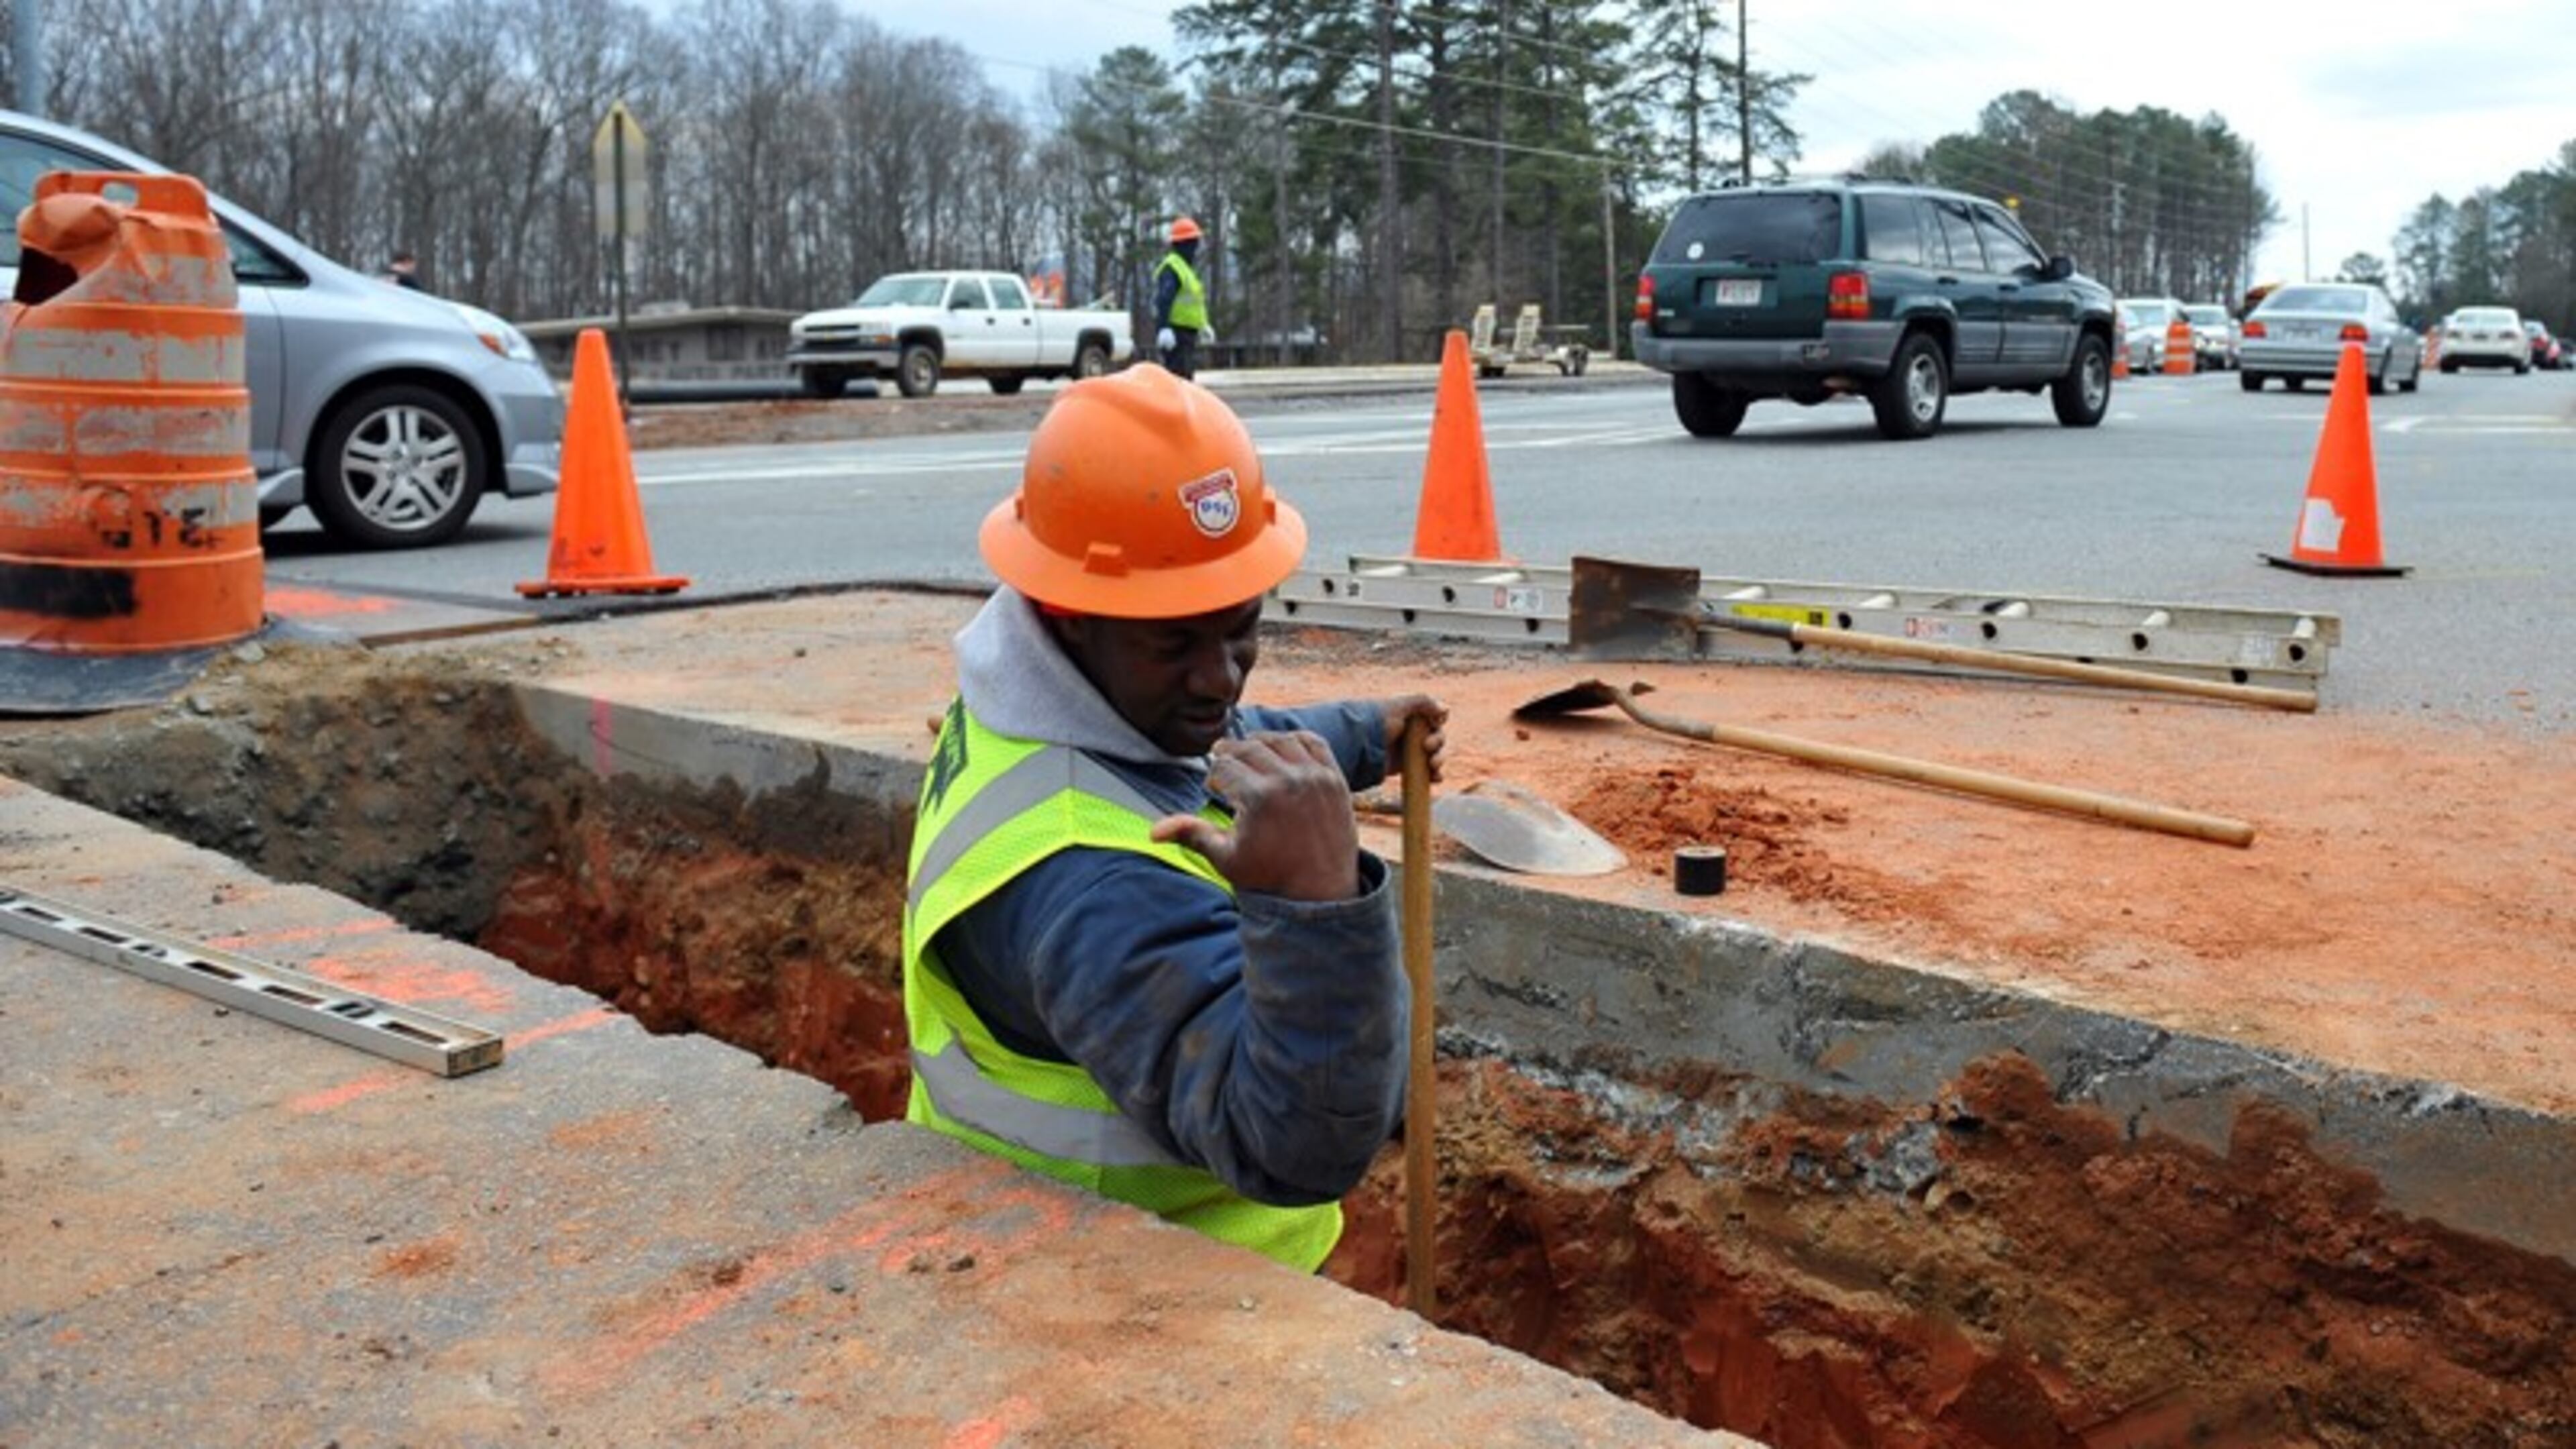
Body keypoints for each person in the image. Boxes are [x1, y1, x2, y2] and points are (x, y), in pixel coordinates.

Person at [902, 363, 1446, 1272]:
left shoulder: (1038, 703)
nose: (1222, 676)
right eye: (1176, 643)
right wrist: (1315, 912)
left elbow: (1185, 751)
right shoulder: (1091, 890)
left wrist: (1356, 736)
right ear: (1073, 615)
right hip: (1128, 1305)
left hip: (1078, 1246)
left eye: (1240, 628)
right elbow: (1297, 1147)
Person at [1151, 216, 1210, 378]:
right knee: (1179, 379)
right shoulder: (1173, 268)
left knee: (1185, 378)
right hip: (1176, 333)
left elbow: (1194, 302)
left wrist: (1203, 325)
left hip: (1187, 333)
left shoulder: (1185, 269)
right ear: (1185, 244)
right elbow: (1164, 299)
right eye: (1194, 243)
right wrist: (1164, 327)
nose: (1196, 248)